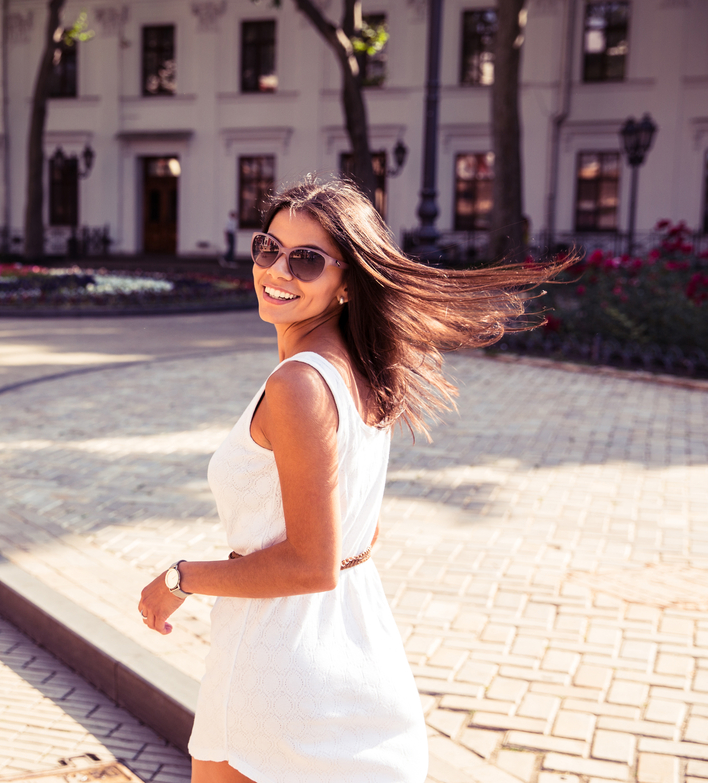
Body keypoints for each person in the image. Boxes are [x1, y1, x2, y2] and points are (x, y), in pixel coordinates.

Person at [138, 176, 567, 783]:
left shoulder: (298, 385)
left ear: (346, 281)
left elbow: (311, 564)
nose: (278, 271)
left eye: (307, 260)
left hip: (277, 668)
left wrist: (181, 579)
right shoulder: (365, 369)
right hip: (356, 647)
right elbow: (355, 536)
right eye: (269, 248)